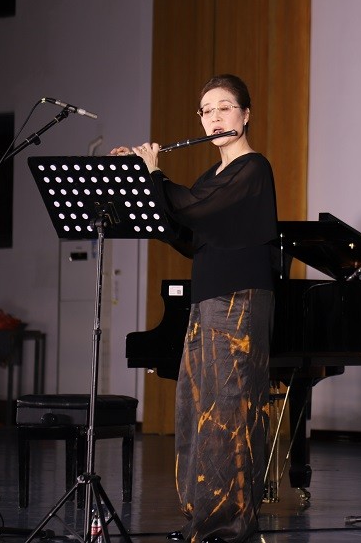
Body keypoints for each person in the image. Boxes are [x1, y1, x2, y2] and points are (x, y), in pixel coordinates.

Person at [110, 74, 278, 543]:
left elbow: (191, 208)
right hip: (206, 300)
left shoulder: (253, 168)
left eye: (225, 107)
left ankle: (230, 524)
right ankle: (201, 518)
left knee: (229, 413)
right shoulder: (209, 178)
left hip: (239, 300)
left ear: (246, 114)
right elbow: (185, 234)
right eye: (207, 110)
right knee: (194, 410)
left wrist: (154, 175)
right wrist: (137, 184)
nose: (215, 117)